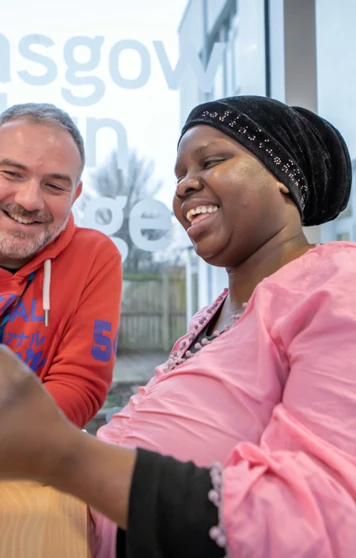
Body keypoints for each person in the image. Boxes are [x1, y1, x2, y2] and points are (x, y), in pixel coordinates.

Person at [0, 94, 356, 558]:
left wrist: (69, 455)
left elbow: (324, 518)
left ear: (284, 180)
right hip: (57, 523)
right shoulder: (214, 316)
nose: (186, 186)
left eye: (210, 161)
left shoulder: (336, 287)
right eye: (180, 175)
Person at [0, 103, 121, 428]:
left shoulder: (94, 257)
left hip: (30, 465)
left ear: (75, 194)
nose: (28, 201)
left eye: (54, 186)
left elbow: (81, 387)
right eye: (11, 173)